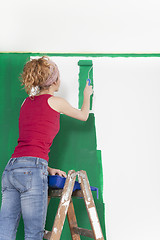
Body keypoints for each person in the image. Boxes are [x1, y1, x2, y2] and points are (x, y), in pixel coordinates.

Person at [0, 56, 93, 240]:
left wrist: (48, 168)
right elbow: (83, 116)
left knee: (5, 233)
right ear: (55, 80)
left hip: (12, 168)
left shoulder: (25, 102)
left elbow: (29, 142)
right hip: (32, 170)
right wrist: (86, 94)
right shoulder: (56, 102)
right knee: (34, 234)